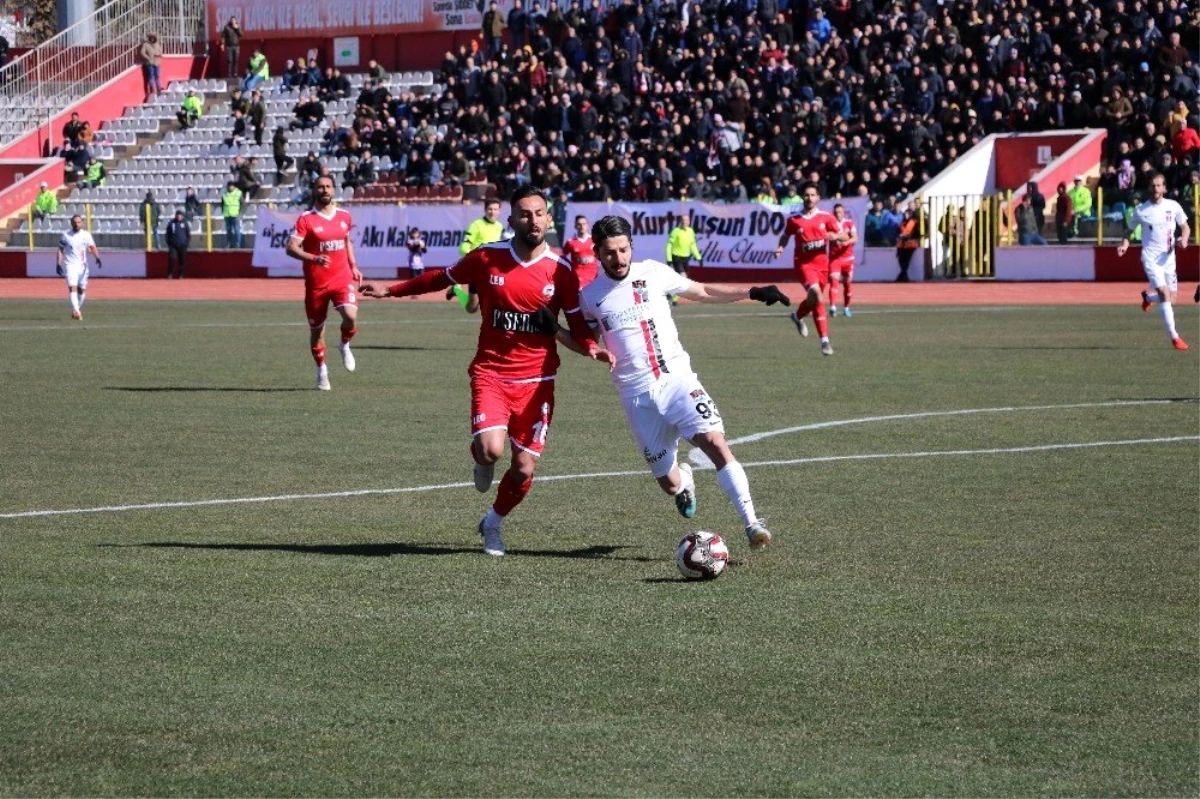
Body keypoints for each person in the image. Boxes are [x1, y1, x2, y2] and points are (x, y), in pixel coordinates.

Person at [360, 185, 606, 557]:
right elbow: (442, 277)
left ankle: (492, 523)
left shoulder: (562, 271)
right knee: (491, 451)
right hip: (491, 373)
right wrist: (391, 290)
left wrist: (590, 348)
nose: (533, 220)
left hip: (537, 382)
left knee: (523, 470)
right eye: (525, 214)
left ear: (548, 218)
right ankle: (480, 456)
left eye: (539, 213)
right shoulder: (488, 257)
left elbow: (578, 330)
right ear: (512, 220)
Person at [572, 214, 785, 549]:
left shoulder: (653, 272)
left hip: (676, 378)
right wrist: (558, 333)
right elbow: (584, 338)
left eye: (624, 249)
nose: (619, 258)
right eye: (610, 252)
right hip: (636, 395)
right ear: (597, 253)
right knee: (670, 485)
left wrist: (753, 291)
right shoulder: (589, 297)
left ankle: (752, 522)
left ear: (632, 247)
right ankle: (685, 480)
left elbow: (700, 290)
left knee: (714, 440)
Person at [284, 174, 363, 390]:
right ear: (314, 191)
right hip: (316, 283)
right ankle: (322, 372)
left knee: (350, 316)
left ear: (334, 190)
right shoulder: (306, 219)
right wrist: (313, 258)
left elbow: (346, 241)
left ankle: (344, 344)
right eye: (320, 187)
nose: (325, 190)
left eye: (328, 186)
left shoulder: (345, 216)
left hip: (341, 277)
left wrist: (354, 265)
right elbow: (291, 248)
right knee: (317, 332)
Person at [1118, 172, 1190, 351]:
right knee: (1165, 293)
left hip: (1169, 259)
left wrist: (1184, 239)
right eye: (1153, 185)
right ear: (1148, 187)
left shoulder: (1173, 206)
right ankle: (1175, 337)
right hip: (1150, 259)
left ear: (1164, 188)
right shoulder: (1141, 210)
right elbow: (1129, 231)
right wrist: (1124, 245)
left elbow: (1185, 226)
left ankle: (1149, 297)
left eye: (1159, 185)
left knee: (1172, 299)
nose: (1156, 189)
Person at [773, 182, 845, 356]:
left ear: (818, 197)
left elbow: (844, 235)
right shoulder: (794, 219)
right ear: (802, 197)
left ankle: (797, 317)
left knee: (813, 300)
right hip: (803, 265)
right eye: (806, 195)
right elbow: (785, 235)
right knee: (818, 297)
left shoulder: (826, 217)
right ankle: (825, 341)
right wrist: (780, 248)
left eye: (813, 195)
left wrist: (835, 236)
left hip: (822, 266)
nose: (809, 198)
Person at [450, 198, 505, 313]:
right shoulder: (476, 225)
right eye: (490, 209)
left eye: (495, 209)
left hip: (491, 270)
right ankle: (457, 289)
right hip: (477, 269)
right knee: (471, 308)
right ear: (485, 210)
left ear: (499, 211)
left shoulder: (499, 226)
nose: (492, 212)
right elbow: (463, 247)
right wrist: (476, 258)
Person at [57, 215, 101, 321]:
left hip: (83, 267)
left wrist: (97, 257)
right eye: (75, 222)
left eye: (79, 222)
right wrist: (58, 264)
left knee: (81, 291)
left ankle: (75, 310)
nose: (77, 224)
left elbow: (92, 246)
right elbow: (60, 250)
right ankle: (77, 312)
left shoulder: (86, 235)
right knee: (72, 288)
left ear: (82, 223)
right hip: (70, 265)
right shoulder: (65, 235)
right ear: (71, 223)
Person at [665, 211, 703, 304]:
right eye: (683, 220)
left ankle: (670, 294)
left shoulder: (690, 231)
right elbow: (669, 245)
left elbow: (692, 245)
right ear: (680, 221)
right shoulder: (676, 231)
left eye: (686, 220)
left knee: (680, 279)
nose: (685, 222)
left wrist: (698, 257)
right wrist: (669, 259)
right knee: (682, 277)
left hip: (685, 258)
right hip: (676, 256)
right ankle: (674, 299)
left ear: (689, 222)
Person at [828, 203, 857, 317]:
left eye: (840, 212)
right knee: (834, 281)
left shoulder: (849, 223)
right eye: (836, 212)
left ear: (844, 213)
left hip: (848, 259)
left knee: (848, 284)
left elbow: (855, 238)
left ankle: (846, 308)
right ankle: (833, 307)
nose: (838, 214)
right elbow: (828, 236)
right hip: (835, 258)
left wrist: (847, 241)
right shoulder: (830, 225)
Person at [560, 213, 598, 287]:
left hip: (593, 277)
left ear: (587, 225)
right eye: (579, 224)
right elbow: (562, 258)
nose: (582, 226)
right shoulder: (570, 242)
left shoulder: (594, 240)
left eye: (584, 224)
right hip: (578, 278)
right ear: (575, 226)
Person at [164, 210, 190, 279]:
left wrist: (186, 243)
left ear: (182, 216)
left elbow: (188, 234)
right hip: (173, 245)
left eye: (180, 215)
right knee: (172, 258)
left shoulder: (185, 223)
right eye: (178, 215)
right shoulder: (171, 223)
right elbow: (167, 234)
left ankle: (181, 275)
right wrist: (169, 243)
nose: (179, 217)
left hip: (182, 245)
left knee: (182, 260)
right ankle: (170, 274)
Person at [895, 209, 919, 281]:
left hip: (910, 245)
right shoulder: (902, 223)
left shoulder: (914, 223)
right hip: (901, 245)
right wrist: (900, 235)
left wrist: (907, 236)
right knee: (901, 261)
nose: (906, 215)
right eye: (905, 214)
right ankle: (903, 276)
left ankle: (901, 277)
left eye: (907, 214)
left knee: (906, 261)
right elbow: (898, 232)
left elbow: (915, 233)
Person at [139, 33, 163, 99]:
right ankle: (153, 89)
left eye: (154, 37)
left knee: (157, 76)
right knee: (151, 76)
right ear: (149, 38)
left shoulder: (157, 44)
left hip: (157, 62)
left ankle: (159, 88)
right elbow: (142, 52)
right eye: (151, 37)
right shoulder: (145, 44)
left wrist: (159, 54)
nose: (152, 38)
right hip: (149, 63)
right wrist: (148, 58)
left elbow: (161, 51)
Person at [221, 181, 243, 248]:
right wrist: (223, 212)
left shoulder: (238, 193)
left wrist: (240, 212)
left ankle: (238, 244)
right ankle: (229, 244)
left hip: (235, 215)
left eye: (231, 186)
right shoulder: (224, 194)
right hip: (227, 215)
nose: (230, 187)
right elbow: (222, 204)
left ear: (234, 186)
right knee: (228, 231)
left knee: (237, 230)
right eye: (229, 186)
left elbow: (242, 203)